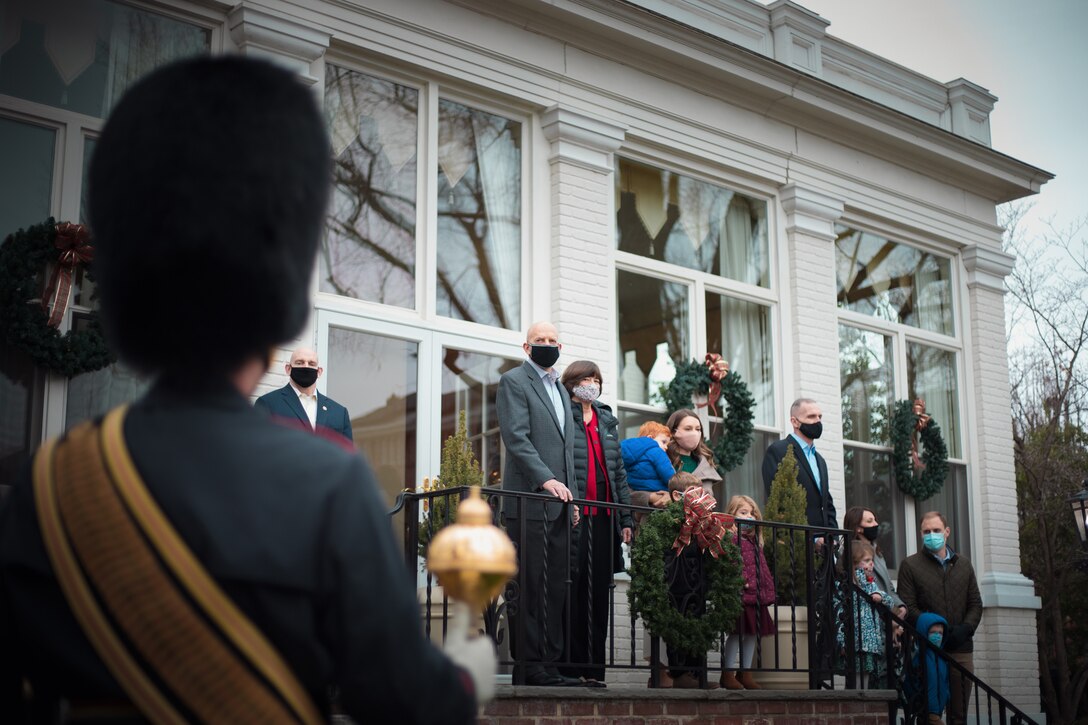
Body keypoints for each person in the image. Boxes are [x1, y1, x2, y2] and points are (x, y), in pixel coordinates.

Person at [0, 57, 491, 723]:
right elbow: (406, 701)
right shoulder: (328, 484)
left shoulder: (50, 483)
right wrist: (466, 671)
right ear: (277, 299)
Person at [496, 321, 583, 687]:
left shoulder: (561, 391)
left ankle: (549, 664)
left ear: (560, 346)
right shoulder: (514, 382)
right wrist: (546, 480)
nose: (546, 345)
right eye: (539, 341)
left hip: (560, 506)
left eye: (552, 340)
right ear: (526, 347)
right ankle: (529, 665)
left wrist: (573, 497)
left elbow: (568, 451)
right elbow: (517, 438)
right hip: (530, 502)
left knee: (555, 586)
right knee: (530, 586)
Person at [558, 360, 634, 687]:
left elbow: (618, 474)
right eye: (585, 378)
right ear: (572, 383)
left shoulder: (605, 419)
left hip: (604, 517)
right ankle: (570, 669)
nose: (591, 383)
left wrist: (625, 518)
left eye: (596, 379)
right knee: (572, 592)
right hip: (574, 516)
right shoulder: (561, 414)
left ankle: (594, 670)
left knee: (598, 595)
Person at [897, 511, 983, 725]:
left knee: (959, 714)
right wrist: (936, 627)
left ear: (947, 532)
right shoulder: (910, 565)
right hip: (928, 648)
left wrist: (965, 629)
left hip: (960, 649)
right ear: (920, 534)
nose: (931, 535)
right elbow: (908, 607)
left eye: (936, 530)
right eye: (926, 531)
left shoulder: (964, 564)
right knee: (930, 714)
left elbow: (975, 603)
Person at [661, 472, 721, 690]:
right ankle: (680, 672)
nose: (700, 498)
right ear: (678, 496)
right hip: (676, 583)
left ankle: (697, 673)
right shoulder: (668, 521)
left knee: (697, 623)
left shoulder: (702, 521)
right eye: (694, 493)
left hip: (697, 582)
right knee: (678, 626)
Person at [720, 495, 775, 690]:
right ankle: (727, 673)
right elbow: (732, 564)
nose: (749, 517)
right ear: (732, 515)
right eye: (743, 513)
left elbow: (763, 569)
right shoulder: (730, 538)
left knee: (752, 634)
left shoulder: (754, 541)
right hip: (741, 594)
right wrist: (739, 581)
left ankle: (745, 673)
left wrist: (766, 588)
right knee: (737, 633)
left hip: (755, 595)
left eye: (752, 513)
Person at [761, 398, 837, 531]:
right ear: (794, 421)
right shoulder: (778, 451)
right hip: (796, 542)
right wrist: (810, 538)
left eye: (820, 416)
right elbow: (778, 499)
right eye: (811, 416)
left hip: (825, 543)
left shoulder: (820, 460)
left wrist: (833, 536)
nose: (818, 421)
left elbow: (827, 503)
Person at [254, 346, 353, 441]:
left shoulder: (339, 413)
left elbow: (347, 454)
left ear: (319, 371)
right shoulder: (268, 404)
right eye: (300, 362)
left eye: (311, 363)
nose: (306, 366)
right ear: (288, 369)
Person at [836, 539, 891, 688]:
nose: (871, 564)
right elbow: (839, 614)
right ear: (853, 562)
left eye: (871, 560)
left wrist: (880, 596)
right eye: (866, 560)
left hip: (869, 640)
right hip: (853, 638)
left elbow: (888, 600)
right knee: (854, 674)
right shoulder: (844, 585)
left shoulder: (869, 583)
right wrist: (841, 641)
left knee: (865, 674)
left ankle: (863, 698)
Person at [905, 612, 951, 725]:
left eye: (940, 633)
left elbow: (945, 681)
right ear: (924, 632)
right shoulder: (920, 656)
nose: (937, 635)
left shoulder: (941, 658)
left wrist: (946, 698)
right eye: (933, 632)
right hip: (926, 707)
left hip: (938, 707)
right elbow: (911, 681)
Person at [666, 409, 722, 494]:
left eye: (698, 429)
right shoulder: (662, 459)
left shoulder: (704, 465)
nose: (694, 433)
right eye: (688, 429)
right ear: (674, 432)